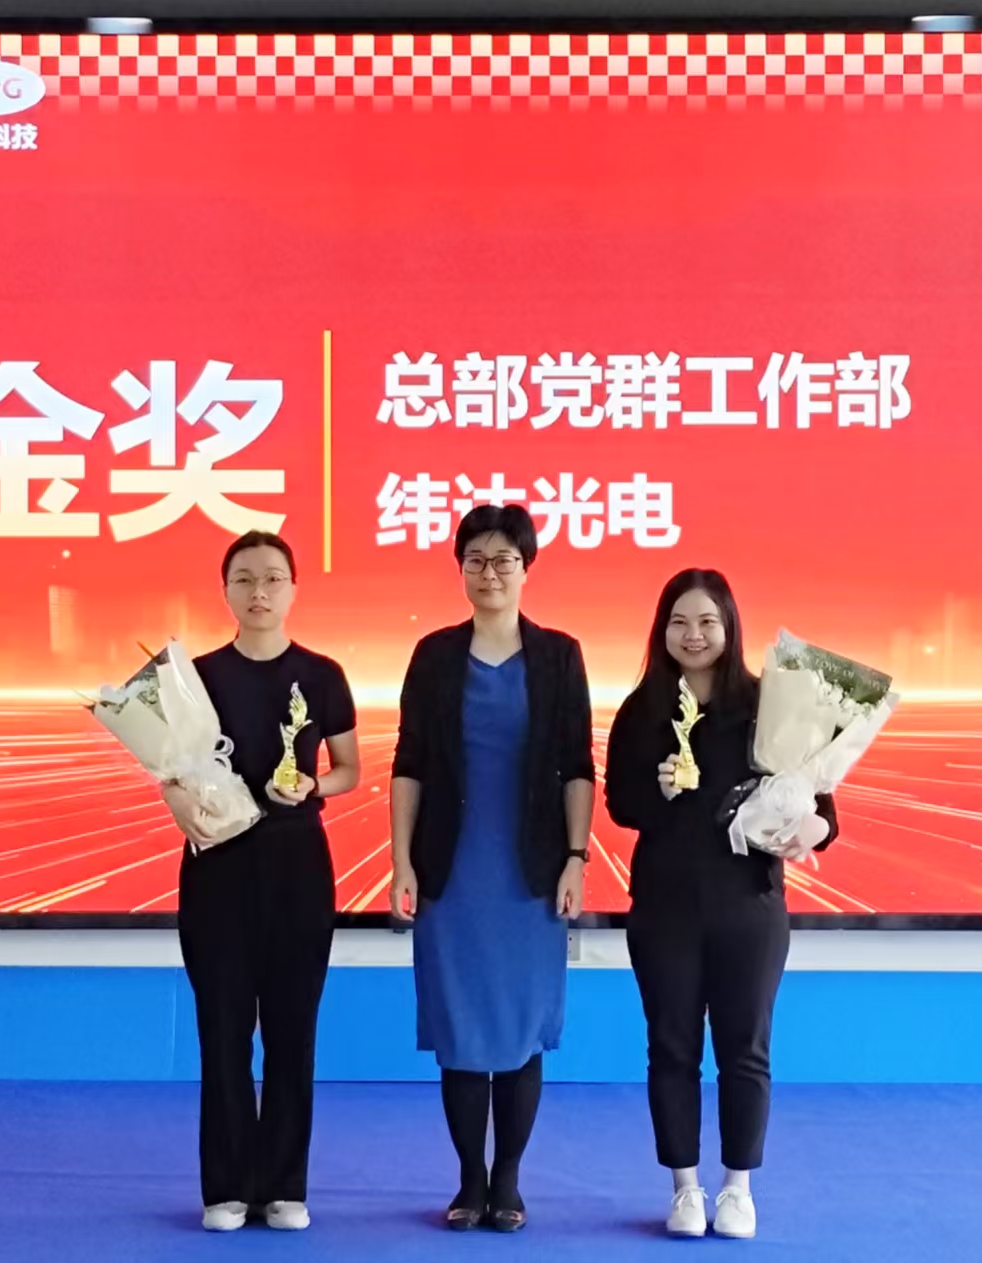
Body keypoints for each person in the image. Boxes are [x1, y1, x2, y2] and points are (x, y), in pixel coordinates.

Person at [604, 569, 838, 1240]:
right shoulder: (640, 710)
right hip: (664, 906)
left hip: (748, 903)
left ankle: (738, 1188)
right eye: (679, 622)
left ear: (730, 627)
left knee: (745, 1049)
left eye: (707, 621)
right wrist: (660, 791)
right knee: (671, 1048)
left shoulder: (769, 706)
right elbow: (620, 804)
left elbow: (823, 807)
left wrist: (810, 829)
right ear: (662, 630)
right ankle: (684, 1187)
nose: (693, 634)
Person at [388, 504, 595, 1233]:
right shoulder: (434, 656)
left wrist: (576, 857)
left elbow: (578, 766)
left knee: (518, 1028)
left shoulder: (559, 656)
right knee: (460, 1028)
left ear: (526, 568)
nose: (489, 573)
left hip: (529, 875)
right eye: (474, 559)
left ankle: (507, 1179)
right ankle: (468, 1179)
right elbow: (409, 763)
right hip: (452, 873)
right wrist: (401, 860)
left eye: (504, 559)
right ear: (460, 570)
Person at [162, 530, 360, 1234]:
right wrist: (180, 803)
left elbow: (348, 770)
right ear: (225, 591)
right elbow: (172, 767)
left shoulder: (323, 674)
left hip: (297, 869)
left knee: (291, 1033)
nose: (259, 591)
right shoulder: (196, 679)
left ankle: (282, 1186)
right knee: (222, 1031)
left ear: (293, 589)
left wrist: (312, 786)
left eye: (273, 577)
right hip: (216, 869)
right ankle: (226, 1186)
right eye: (244, 578)